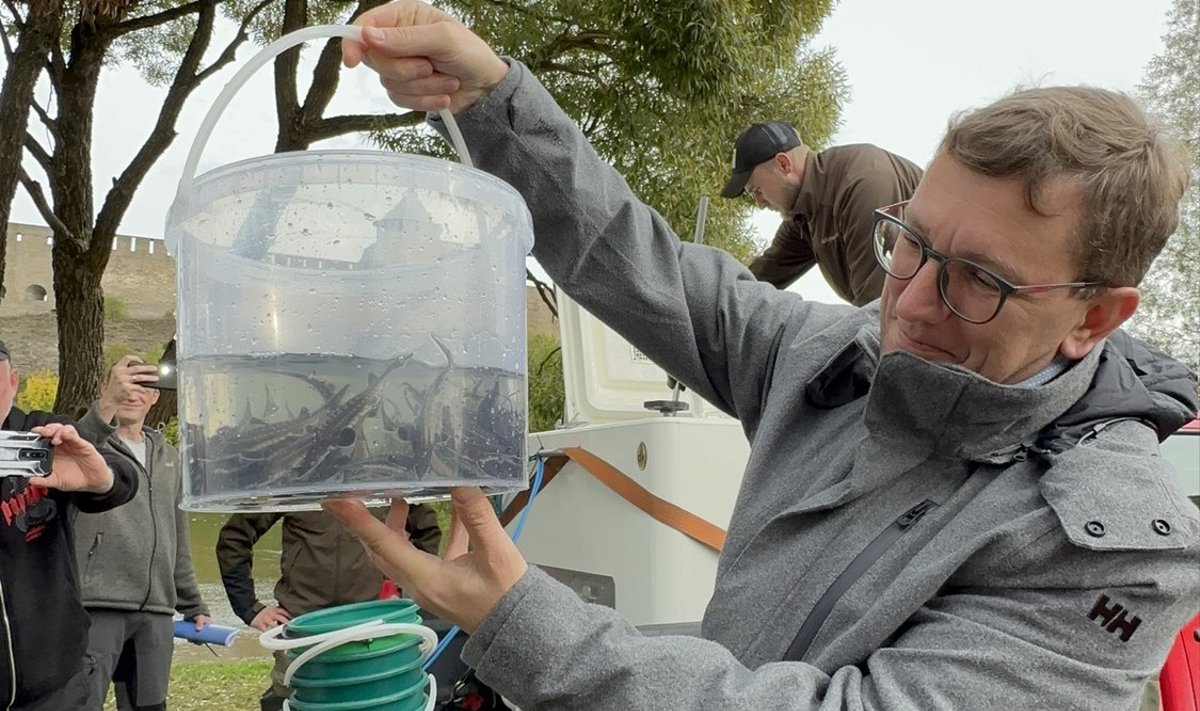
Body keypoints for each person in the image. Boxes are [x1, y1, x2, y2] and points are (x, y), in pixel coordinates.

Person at [321, 5, 1200, 711]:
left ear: (1097, 316)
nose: (910, 302)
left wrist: (526, 624)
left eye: (980, 280)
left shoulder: (1112, 553)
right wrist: (493, 99)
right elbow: (641, 263)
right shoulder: (829, 355)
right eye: (910, 243)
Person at [0, 339, 139, 710]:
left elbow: (123, 479)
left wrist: (99, 478)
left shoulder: (43, 434)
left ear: (13, 382)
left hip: (55, 680)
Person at [71, 355, 211, 711]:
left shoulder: (170, 457)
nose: (133, 394)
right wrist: (104, 410)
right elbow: (76, 450)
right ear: (107, 390)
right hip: (96, 606)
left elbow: (176, 533)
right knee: (80, 703)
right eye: (125, 385)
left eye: (144, 387)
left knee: (149, 706)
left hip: (156, 612)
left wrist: (192, 602)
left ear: (154, 397)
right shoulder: (84, 446)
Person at [216, 505, 441, 710]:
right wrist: (249, 608)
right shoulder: (296, 478)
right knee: (294, 697)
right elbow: (234, 538)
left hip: (373, 625)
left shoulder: (382, 476)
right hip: (301, 626)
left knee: (372, 699)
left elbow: (427, 530)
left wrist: (403, 586)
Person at [721, 121, 923, 305]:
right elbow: (762, 276)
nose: (759, 203)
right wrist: (713, 300)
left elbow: (877, 308)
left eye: (757, 190)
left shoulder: (862, 185)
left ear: (784, 164)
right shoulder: (805, 215)